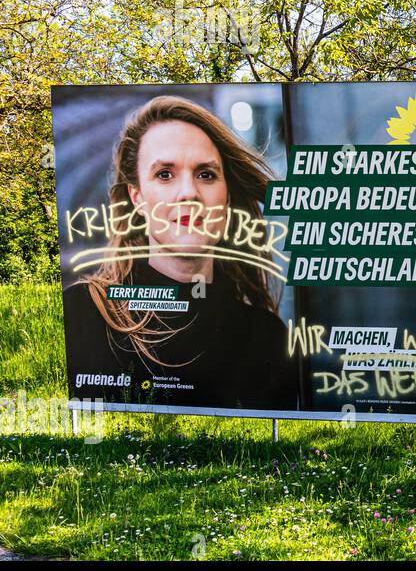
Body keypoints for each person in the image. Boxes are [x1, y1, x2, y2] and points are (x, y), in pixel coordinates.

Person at [62, 95, 297, 411]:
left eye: (206, 174)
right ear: (138, 198)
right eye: (164, 174)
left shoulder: (267, 338)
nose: (188, 192)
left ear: (226, 198)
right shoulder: (83, 314)